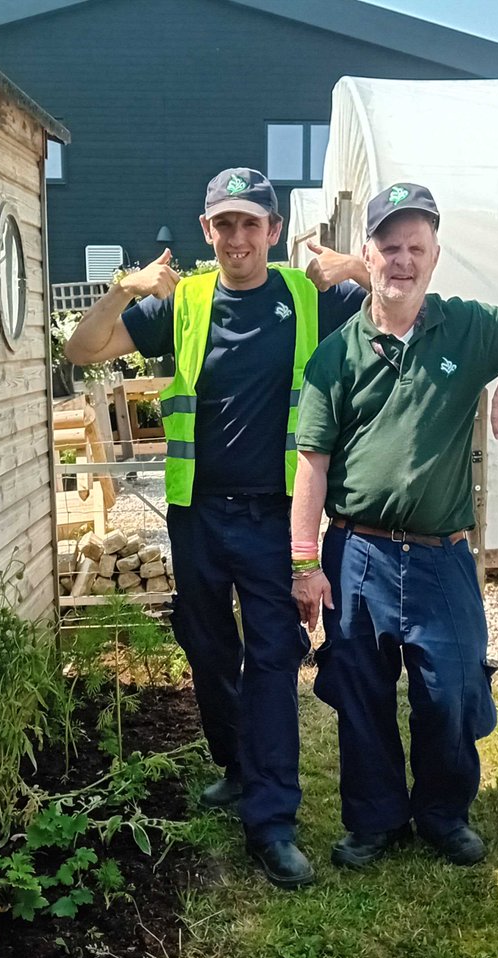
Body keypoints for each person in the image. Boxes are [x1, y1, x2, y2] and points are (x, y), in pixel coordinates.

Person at [66, 167, 367, 889]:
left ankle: (272, 821)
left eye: (250, 224)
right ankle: (237, 765)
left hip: (274, 516)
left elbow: (400, 302)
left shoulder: (308, 295)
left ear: (271, 231)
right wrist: (124, 288)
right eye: (223, 224)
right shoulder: (185, 302)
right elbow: (82, 349)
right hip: (197, 515)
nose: (237, 238)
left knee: (271, 660)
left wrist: (355, 267)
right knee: (206, 647)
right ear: (207, 231)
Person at [290, 182, 498, 870]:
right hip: (357, 554)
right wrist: (305, 562)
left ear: (436, 255)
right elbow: (312, 465)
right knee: (360, 691)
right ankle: (375, 820)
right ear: (368, 255)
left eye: (416, 247)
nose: (403, 260)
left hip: (442, 556)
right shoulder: (335, 355)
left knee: (452, 690)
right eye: (390, 247)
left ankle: (444, 815)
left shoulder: (466, 328)